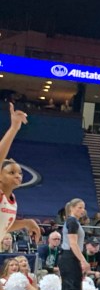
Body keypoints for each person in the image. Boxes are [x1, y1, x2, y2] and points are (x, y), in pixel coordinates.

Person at [44, 198, 91, 290]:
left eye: (83, 208)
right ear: (72, 208)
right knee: (74, 289)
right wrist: (83, 260)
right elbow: (73, 244)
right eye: (79, 207)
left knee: (68, 289)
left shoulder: (73, 221)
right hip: (70, 257)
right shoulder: (72, 221)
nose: (82, 210)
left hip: (68, 257)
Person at [0, 103, 42, 249]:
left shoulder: (11, 199)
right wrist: (14, 128)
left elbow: (3, 226)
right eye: (11, 172)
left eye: (20, 172)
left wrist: (26, 223)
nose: (18, 176)